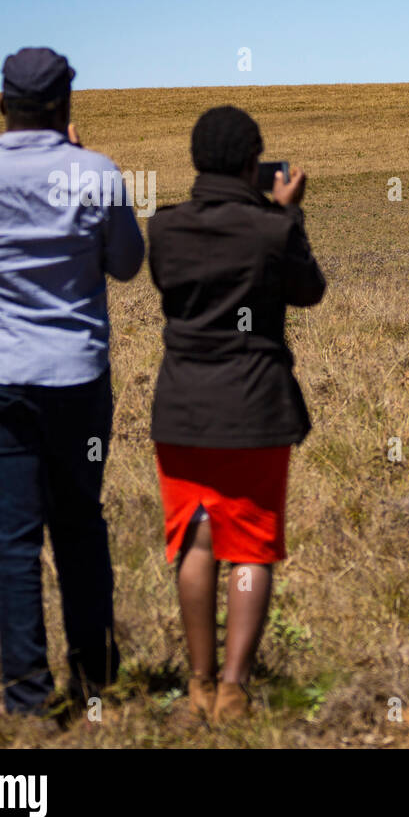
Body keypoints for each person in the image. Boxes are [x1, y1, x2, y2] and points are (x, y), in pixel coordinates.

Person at [0, 47, 145, 721]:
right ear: (66, 106)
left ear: (1, 103)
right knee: (81, 523)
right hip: (78, 377)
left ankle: (27, 696)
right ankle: (98, 680)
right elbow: (129, 263)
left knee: (11, 540)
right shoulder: (98, 173)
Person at [148, 106, 325, 723]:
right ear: (254, 162)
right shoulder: (271, 230)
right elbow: (309, 291)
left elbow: (171, 288)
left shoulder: (164, 229)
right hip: (255, 407)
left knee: (195, 542)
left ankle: (196, 686)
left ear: (197, 159)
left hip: (183, 409)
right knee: (249, 546)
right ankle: (234, 689)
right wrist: (286, 214)